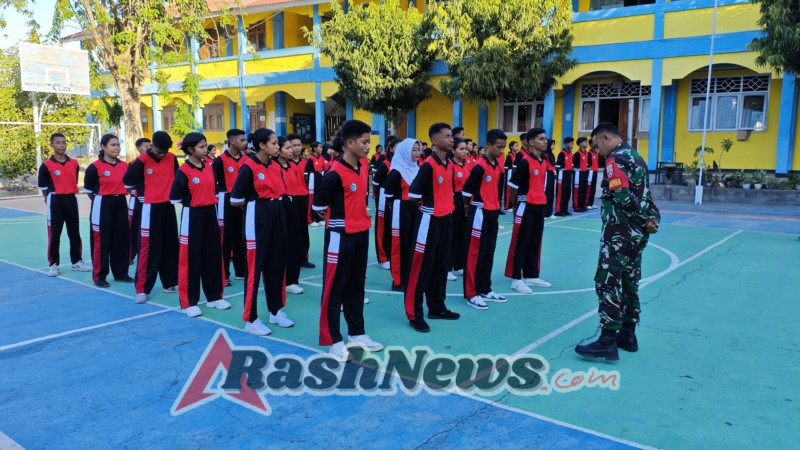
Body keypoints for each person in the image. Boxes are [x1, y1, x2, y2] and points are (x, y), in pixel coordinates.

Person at [575, 123, 660, 361]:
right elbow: (646, 194)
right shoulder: (637, 157)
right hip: (637, 235)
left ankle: (607, 339)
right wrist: (652, 219)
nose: (597, 151)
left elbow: (622, 195)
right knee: (630, 280)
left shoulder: (614, 160)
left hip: (619, 232)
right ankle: (628, 334)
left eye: (596, 145)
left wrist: (643, 219)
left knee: (607, 281)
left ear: (605, 138)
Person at [312, 120, 383, 362]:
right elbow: (318, 205)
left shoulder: (363, 166)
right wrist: (339, 219)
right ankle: (333, 339)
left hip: (361, 233)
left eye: (369, 142)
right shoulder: (334, 173)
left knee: (356, 286)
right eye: (364, 142)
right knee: (335, 288)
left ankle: (357, 333)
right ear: (349, 143)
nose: (367, 147)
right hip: (339, 237)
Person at [230, 128, 294, 336]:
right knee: (254, 269)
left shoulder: (275, 166)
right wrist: (254, 205)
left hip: (277, 214)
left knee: (276, 264)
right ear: (262, 145)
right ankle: (251, 319)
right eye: (274, 143)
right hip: (257, 217)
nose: (278, 146)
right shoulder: (248, 168)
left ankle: (275, 310)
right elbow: (235, 199)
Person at [405, 124, 461, 333]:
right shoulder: (428, 165)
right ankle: (414, 314)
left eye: (451, 136)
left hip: (446, 219)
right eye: (446, 137)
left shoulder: (450, 164)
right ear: (435, 141)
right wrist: (426, 208)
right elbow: (412, 193)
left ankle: (437, 308)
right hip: (429, 221)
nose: (451, 139)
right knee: (421, 269)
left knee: (441, 266)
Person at [169, 132, 230, 317]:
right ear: (190, 149)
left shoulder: (209, 167)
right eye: (201, 147)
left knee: (212, 255)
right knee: (191, 259)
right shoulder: (183, 171)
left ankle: (214, 297)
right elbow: (175, 197)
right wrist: (193, 202)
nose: (205, 150)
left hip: (210, 213)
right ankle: (189, 302)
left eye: (206, 146)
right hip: (192, 215)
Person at [123, 131, 179, 304]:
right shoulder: (141, 161)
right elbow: (127, 182)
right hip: (149, 209)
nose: (162, 154)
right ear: (152, 145)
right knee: (148, 249)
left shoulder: (171, 158)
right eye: (159, 151)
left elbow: (177, 179)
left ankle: (170, 283)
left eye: (165, 151)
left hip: (168, 207)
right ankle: (142, 288)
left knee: (171, 246)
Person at [462, 129, 507, 310]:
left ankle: (485, 288)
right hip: (479, 212)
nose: (502, 150)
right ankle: (471, 294)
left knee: (489, 251)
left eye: (504, 147)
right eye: (499, 147)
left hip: (493, 212)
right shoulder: (479, 166)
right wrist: (468, 209)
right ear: (488, 146)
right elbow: (466, 191)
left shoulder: (497, 164)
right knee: (474, 253)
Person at [504, 128, 552, 294]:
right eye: (541, 139)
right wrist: (515, 205)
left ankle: (532, 275)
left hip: (539, 206)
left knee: (535, 240)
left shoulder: (544, 160)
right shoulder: (525, 162)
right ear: (531, 143)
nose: (545, 141)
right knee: (521, 242)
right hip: (526, 206)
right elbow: (512, 186)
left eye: (545, 138)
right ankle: (516, 279)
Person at [39, 133, 92, 277]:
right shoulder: (46, 166)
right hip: (55, 200)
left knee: (74, 232)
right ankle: (54, 264)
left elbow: (72, 180)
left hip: (71, 199)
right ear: (52, 145)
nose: (61, 145)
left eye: (64, 142)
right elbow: (43, 187)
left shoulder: (74, 163)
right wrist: (48, 200)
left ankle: (77, 261)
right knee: (54, 234)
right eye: (58, 143)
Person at [84, 134, 133, 287]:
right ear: (103, 147)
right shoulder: (94, 167)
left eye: (118, 145)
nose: (116, 148)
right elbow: (89, 190)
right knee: (101, 241)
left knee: (122, 239)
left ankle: (121, 272)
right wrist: (102, 200)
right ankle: (99, 276)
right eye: (112, 145)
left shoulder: (124, 166)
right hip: (102, 203)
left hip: (120, 202)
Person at [212, 129, 248, 286]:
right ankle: (223, 274)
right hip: (226, 200)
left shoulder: (246, 159)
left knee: (241, 237)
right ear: (232, 142)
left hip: (242, 201)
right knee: (225, 239)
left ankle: (240, 271)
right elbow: (213, 181)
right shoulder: (220, 161)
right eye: (242, 140)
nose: (244, 143)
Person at [384, 137, 420, 291]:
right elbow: (388, 193)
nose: (418, 153)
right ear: (405, 151)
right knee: (400, 245)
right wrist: (395, 206)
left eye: (418, 149)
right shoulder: (397, 170)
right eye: (414, 149)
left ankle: (410, 277)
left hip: (414, 209)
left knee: (412, 243)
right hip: (401, 209)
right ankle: (398, 280)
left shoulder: (417, 168)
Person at [275, 136, 305, 295]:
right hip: (279, 204)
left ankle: (292, 280)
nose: (292, 150)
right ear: (278, 150)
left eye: (291, 147)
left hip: (292, 203)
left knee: (294, 242)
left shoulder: (292, 166)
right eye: (287, 148)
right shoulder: (273, 167)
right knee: (280, 244)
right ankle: (280, 279)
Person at [287, 133, 314, 270]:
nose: (297, 148)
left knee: (303, 229)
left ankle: (303, 257)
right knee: (292, 229)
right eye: (293, 146)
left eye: (299, 145)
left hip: (303, 198)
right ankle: (292, 258)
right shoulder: (285, 164)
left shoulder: (305, 162)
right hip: (291, 199)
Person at [372, 138, 398, 269]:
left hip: (396, 199)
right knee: (382, 226)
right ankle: (383, 258)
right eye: (396, 147)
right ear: (391, 148)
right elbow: (375, 182)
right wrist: (377, 197)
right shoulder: (385, 164)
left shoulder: (402, 164)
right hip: (383, 197)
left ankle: (392, 255)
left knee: (393, 227)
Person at [128, 138, 151, 264]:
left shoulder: (154, 163)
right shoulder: (133, 164)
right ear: (138, 148)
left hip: (152, 201)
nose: (149, 148)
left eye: (150, 146)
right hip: (137, 200)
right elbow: (129, 183)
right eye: (146, 146)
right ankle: (131, 255)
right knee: (134, 229)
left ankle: (148, 254)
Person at [449, 138, 469, 280]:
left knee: (462, 234)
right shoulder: (450, 166)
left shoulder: (465, 165)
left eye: (465, 149)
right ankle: (446, 268)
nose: (465, 151)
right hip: (454, 200)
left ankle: (458, 265)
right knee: (451, 236)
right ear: (453, 150)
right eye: (461, 149)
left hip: (465, 201)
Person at [306, 141, 327, 226]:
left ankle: (318, 218)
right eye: (319, 147)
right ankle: (310, 219)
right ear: (315, 148)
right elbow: (306, 173)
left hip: (320, 179)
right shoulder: (310, 159)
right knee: (311, 200)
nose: (321, 149)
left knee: (318, 199)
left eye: (321, 147)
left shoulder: (321, 158)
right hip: (312, 180)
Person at [554, 137, 574, 216]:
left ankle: (565, 209)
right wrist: (557, 176)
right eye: (570, 143)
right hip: (562, 174)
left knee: (567, 192)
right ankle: (558, 211)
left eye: (572, 143)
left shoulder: (570, 153)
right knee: (561, 193)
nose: (572, 145)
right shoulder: (562, 153)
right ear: (566, 144)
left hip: (569, 174)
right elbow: (557, 166)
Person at [572, 137, 593, 213]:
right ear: (580, 144)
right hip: (578, 174)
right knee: (578, 190)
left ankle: (583, 205)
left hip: (585, 173)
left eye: (587, 142)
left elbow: (589, 163)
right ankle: (576, 206)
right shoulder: (577, 154)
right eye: (585, 142)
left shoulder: (587, 153)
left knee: (584, 189)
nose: (586, 143)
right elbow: (572, 163)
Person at [503, 140, 519, 213]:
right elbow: (506, 167)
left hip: (515, 174)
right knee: (508, 190)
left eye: (517, 146)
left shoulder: (517, 155)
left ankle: (513, 205)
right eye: (515, 146)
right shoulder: (509, 156)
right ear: (511, 147)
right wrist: (507, 175)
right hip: (509, 174)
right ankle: (507, 206)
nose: (517, 147)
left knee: (514, 190)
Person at [544, 139, 557, 218]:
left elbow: (553, 165)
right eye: (552, 144)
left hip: (551, 174)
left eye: (554, 144)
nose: (553, 146)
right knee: (546, 193)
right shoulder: (545, 155)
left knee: (551, 194)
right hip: (546, 174)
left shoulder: (552, 154)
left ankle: (549, 212)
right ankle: (544, 213)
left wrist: (554, 173)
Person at [588, 140, 600, 209]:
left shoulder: (596, 153)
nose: (595, 144)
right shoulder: (589, 153)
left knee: (593, 188)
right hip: (590, 172)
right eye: (593, 143)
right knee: (589, 188)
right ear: (590, 145)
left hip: (595, 171)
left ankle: (592, 203)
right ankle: (588, 203)